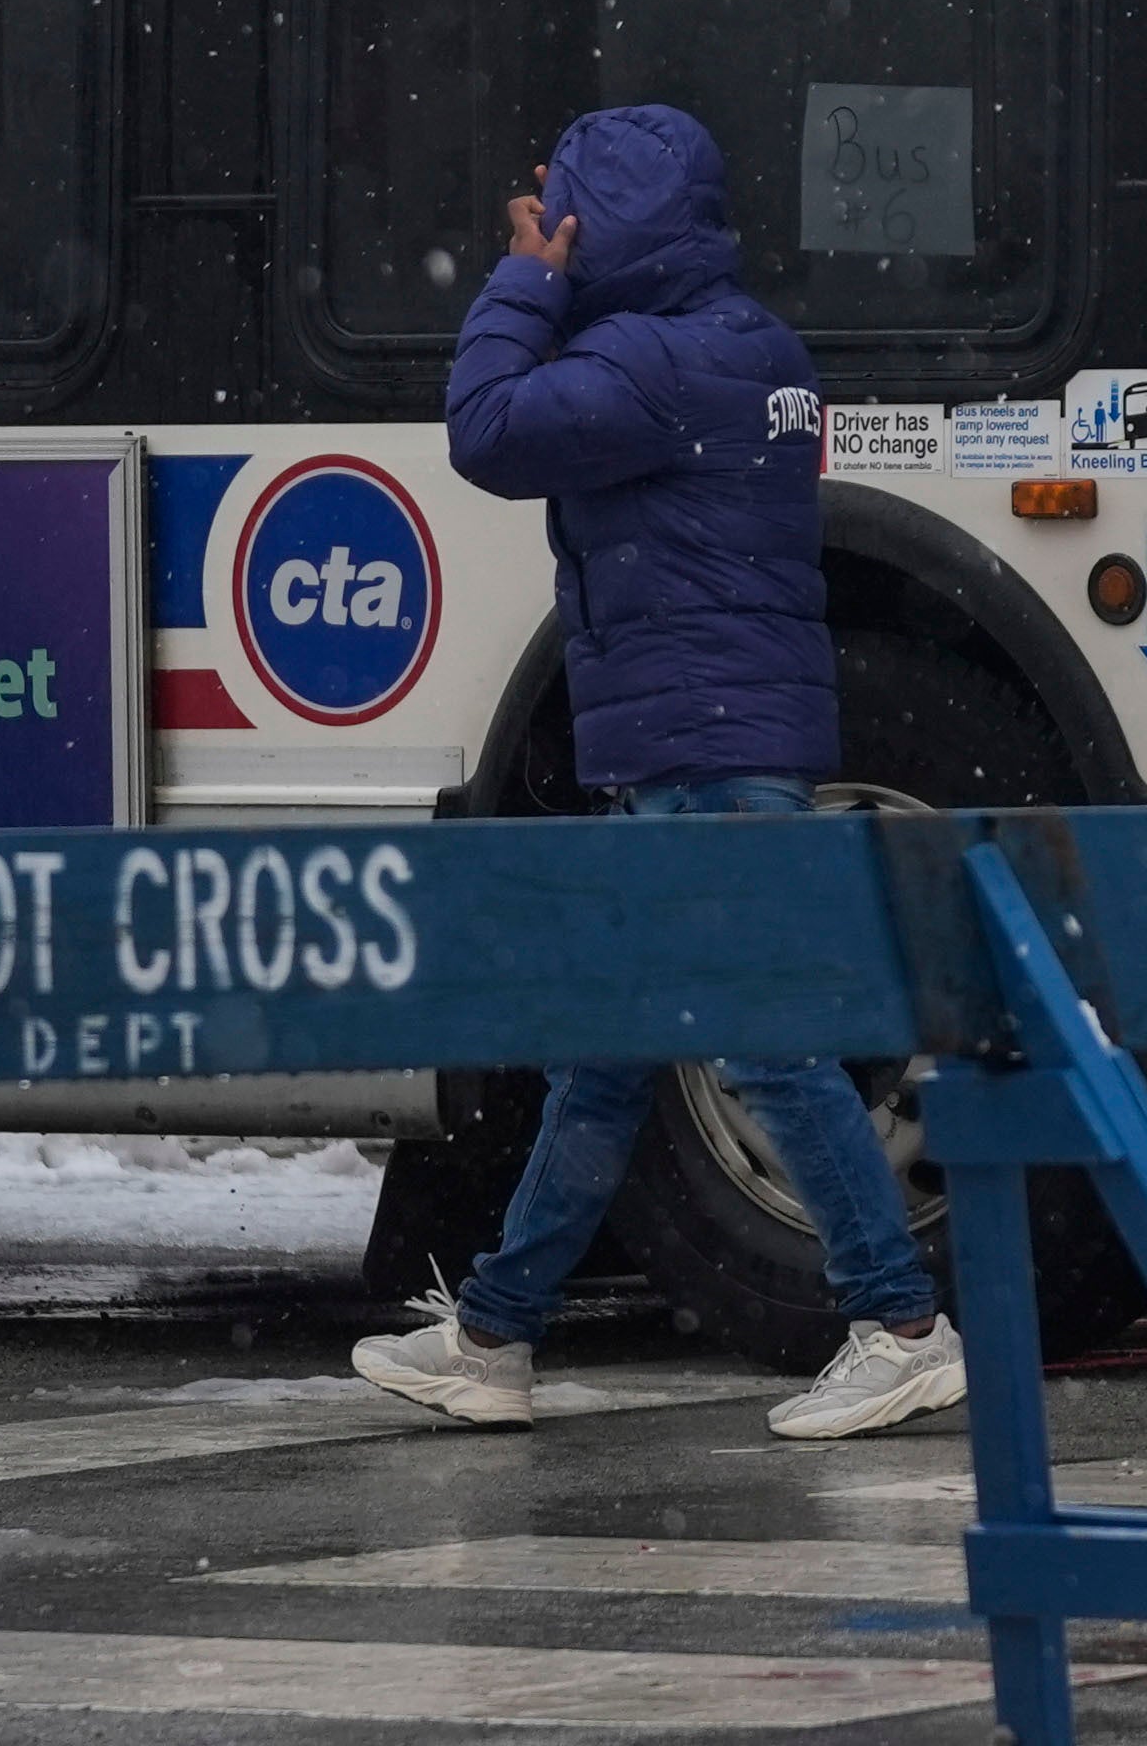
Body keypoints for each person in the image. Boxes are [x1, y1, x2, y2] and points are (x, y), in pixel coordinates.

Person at [351, 104, 968, 1443]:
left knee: (769, 1044)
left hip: (699, 754)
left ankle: (902, 1323)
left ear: (603, 225)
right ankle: (496, 1336)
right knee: (608, 1060)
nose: (542, 220)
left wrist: (527, 281)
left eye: (560, 203)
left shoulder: (645, 369)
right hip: (716, 745)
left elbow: (486, 429)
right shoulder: (752, 346)